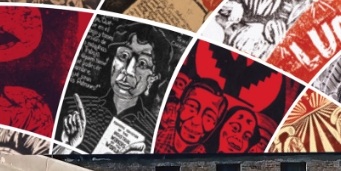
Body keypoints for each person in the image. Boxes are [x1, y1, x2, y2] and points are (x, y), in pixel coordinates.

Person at [58, 21, 171, 153]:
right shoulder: (71, 109)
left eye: (142, 63)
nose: (128, 70)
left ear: (152, 78)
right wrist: (66, 146)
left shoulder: (154, 135)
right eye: (123, 56)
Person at [163, 78, 226, 153]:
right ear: (179, 106)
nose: (196, 122)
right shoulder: (156, 139)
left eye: (209, 117)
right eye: (191, 108)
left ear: (215, 126)